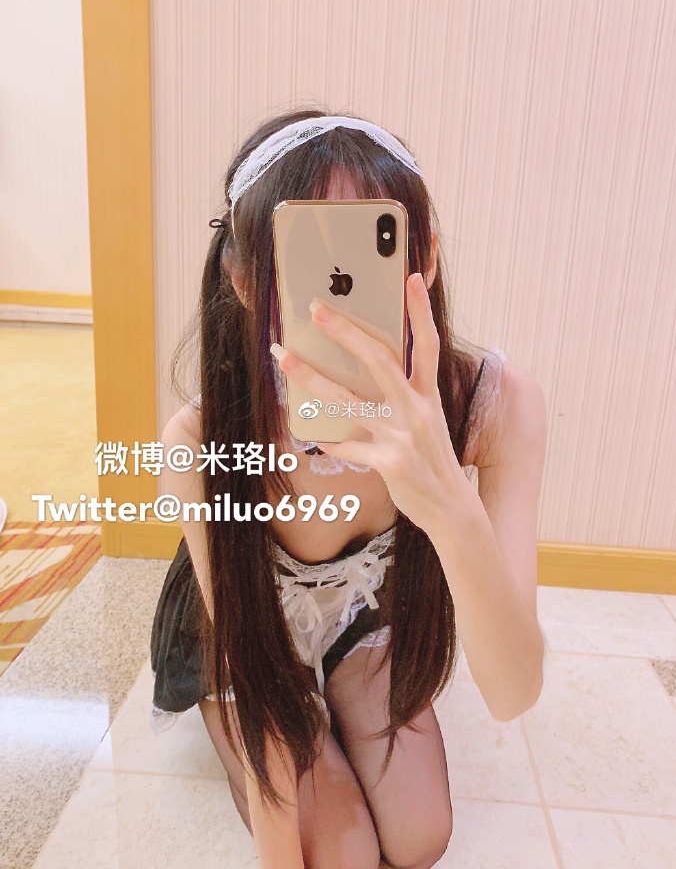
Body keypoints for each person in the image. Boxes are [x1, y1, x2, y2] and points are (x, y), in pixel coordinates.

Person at [149, 109, 547, 869]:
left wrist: (446, 501)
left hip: (364, 617)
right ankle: (314, 713)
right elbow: (246, 661)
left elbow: (512, 692)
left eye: (372, 245)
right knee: (343, 854)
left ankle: (341, 692)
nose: (338, 292)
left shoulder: (494, 404)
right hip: (248, 639)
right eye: (309, 254)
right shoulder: (200, 439)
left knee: (419, 837)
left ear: (426, 257)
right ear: (244, 279)